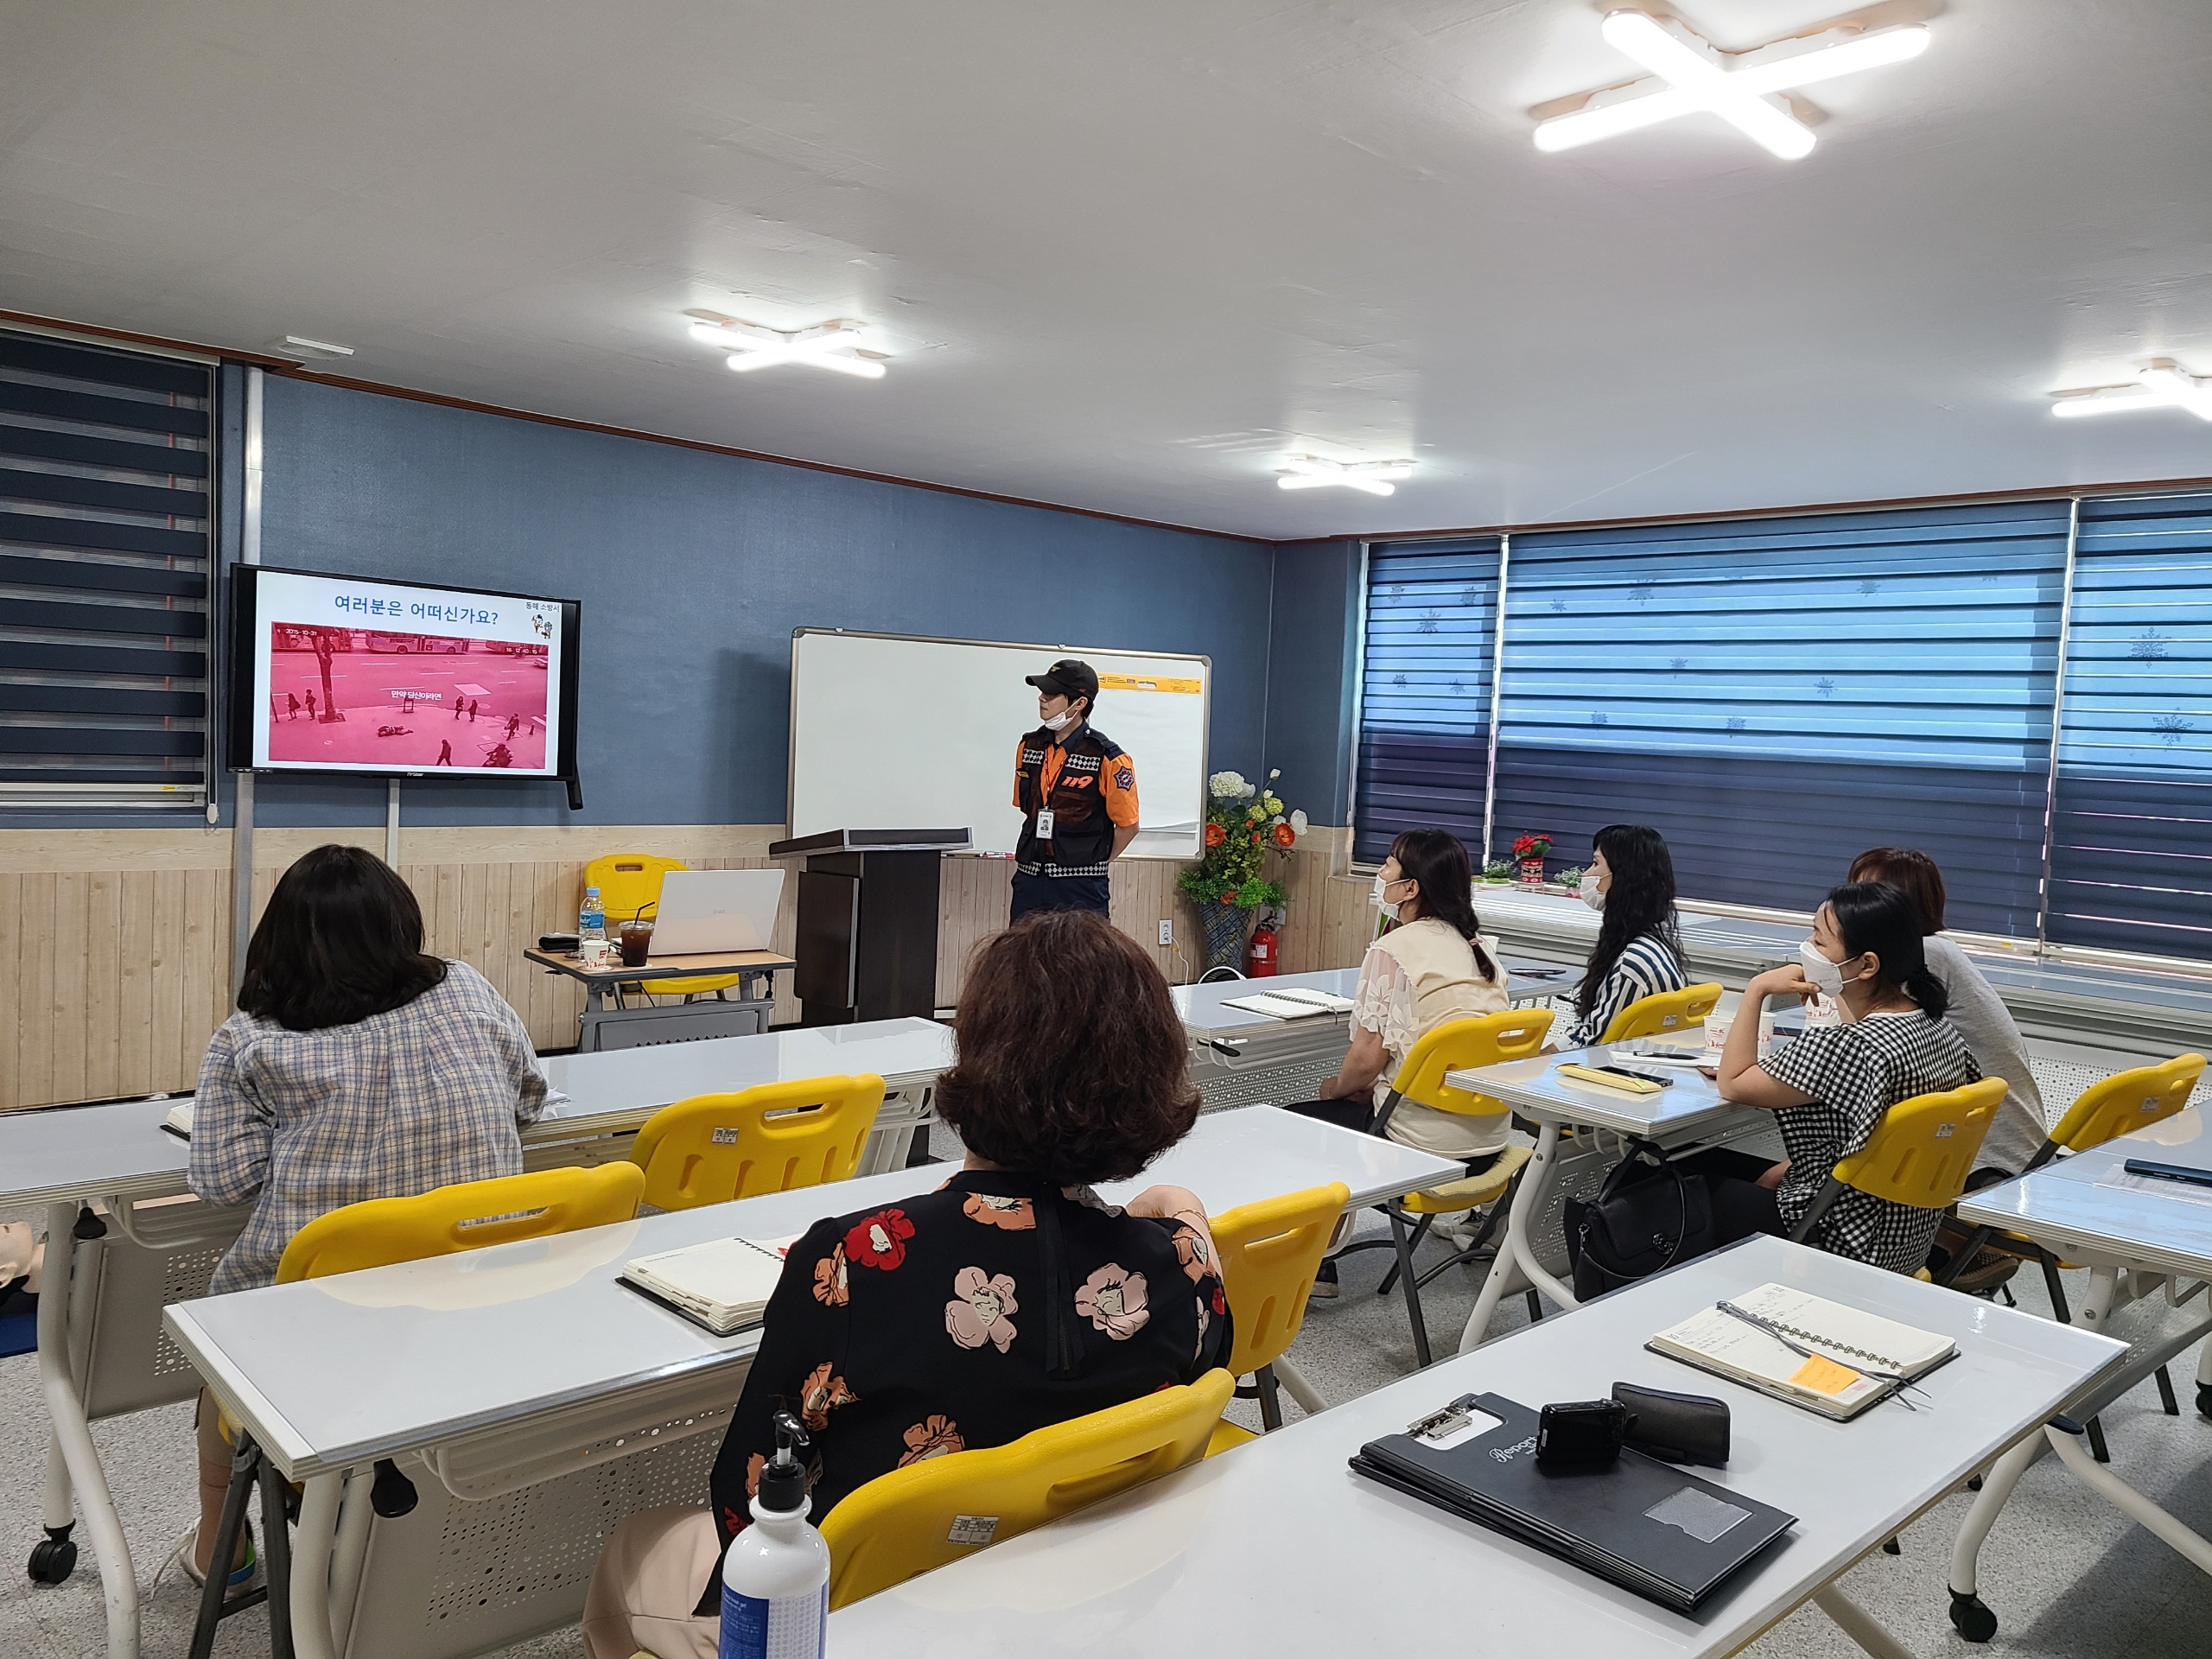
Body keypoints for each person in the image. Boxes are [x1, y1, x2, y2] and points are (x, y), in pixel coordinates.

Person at [579, 912, 1231, 1659]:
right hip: (1081, 1603)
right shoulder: (1182, 1267)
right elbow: (1208, 1311)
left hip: (861, 1615)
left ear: (977, 1053)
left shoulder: (854, 1259)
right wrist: (1181, 1209)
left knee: (635, 1545)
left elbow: (752, 1491)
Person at [181, 844, 547, 1588]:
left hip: (311, 1332)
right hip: (478, 1309)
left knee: (217, 1366)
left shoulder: (249, 1038)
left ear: (276, 940)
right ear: (401, 925)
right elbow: (531, 1098)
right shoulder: (466, 989)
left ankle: (222, 1546)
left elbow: (224, 1184)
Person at [1687, 881, 1983, 1274]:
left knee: (1666, 1181)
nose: (1807, 948)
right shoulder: (1937, 1029)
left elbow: (1734, 1080)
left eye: (1819, 941)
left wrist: (1757, 989)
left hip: (1837, 1235)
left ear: (1867, 965)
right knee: (1709, 1162)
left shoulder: (1851, 1045)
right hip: (1903, 1239)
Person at [1284, 827, 1511, 1294]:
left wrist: (1336, 1088)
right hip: (1489, 1143)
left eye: (1388, 863)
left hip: (1422, 1143)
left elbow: (1366, 1061)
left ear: (1411, 888)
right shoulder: (1481, 949)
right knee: (1350, 1111)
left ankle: (1314, 1265)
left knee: (1299, 1124)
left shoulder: (1395, 950)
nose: (1380, 871)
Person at [1846, 848, 2044, 1177]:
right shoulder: (1938, 950)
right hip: (1984, 1153)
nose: (1849, 907)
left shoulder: (1925, 955)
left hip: (1988, 1165)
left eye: (1865, 895)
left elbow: (1868, 1045)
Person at [1007, 658, 1139, 920]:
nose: (1042, 699)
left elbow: (1128, 827)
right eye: (1042, 692)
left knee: (1082, 948)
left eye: (1052, 694)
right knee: (1023, 947)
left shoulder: (1108, 757)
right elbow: (1026, 808)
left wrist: (1093, 861)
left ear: (1079, 703)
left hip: (1081, 887)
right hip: (1030, 880)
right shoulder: (1029, 746)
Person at [1561, 823, 1687, 1048]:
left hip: (1609, 1065)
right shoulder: (1652, 946)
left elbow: (1591, 1043)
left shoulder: (1633, 963)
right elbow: (1589, 1030)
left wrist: (1527, 1060)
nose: (1586, 874)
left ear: (1624, 876)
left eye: (1596, 863)